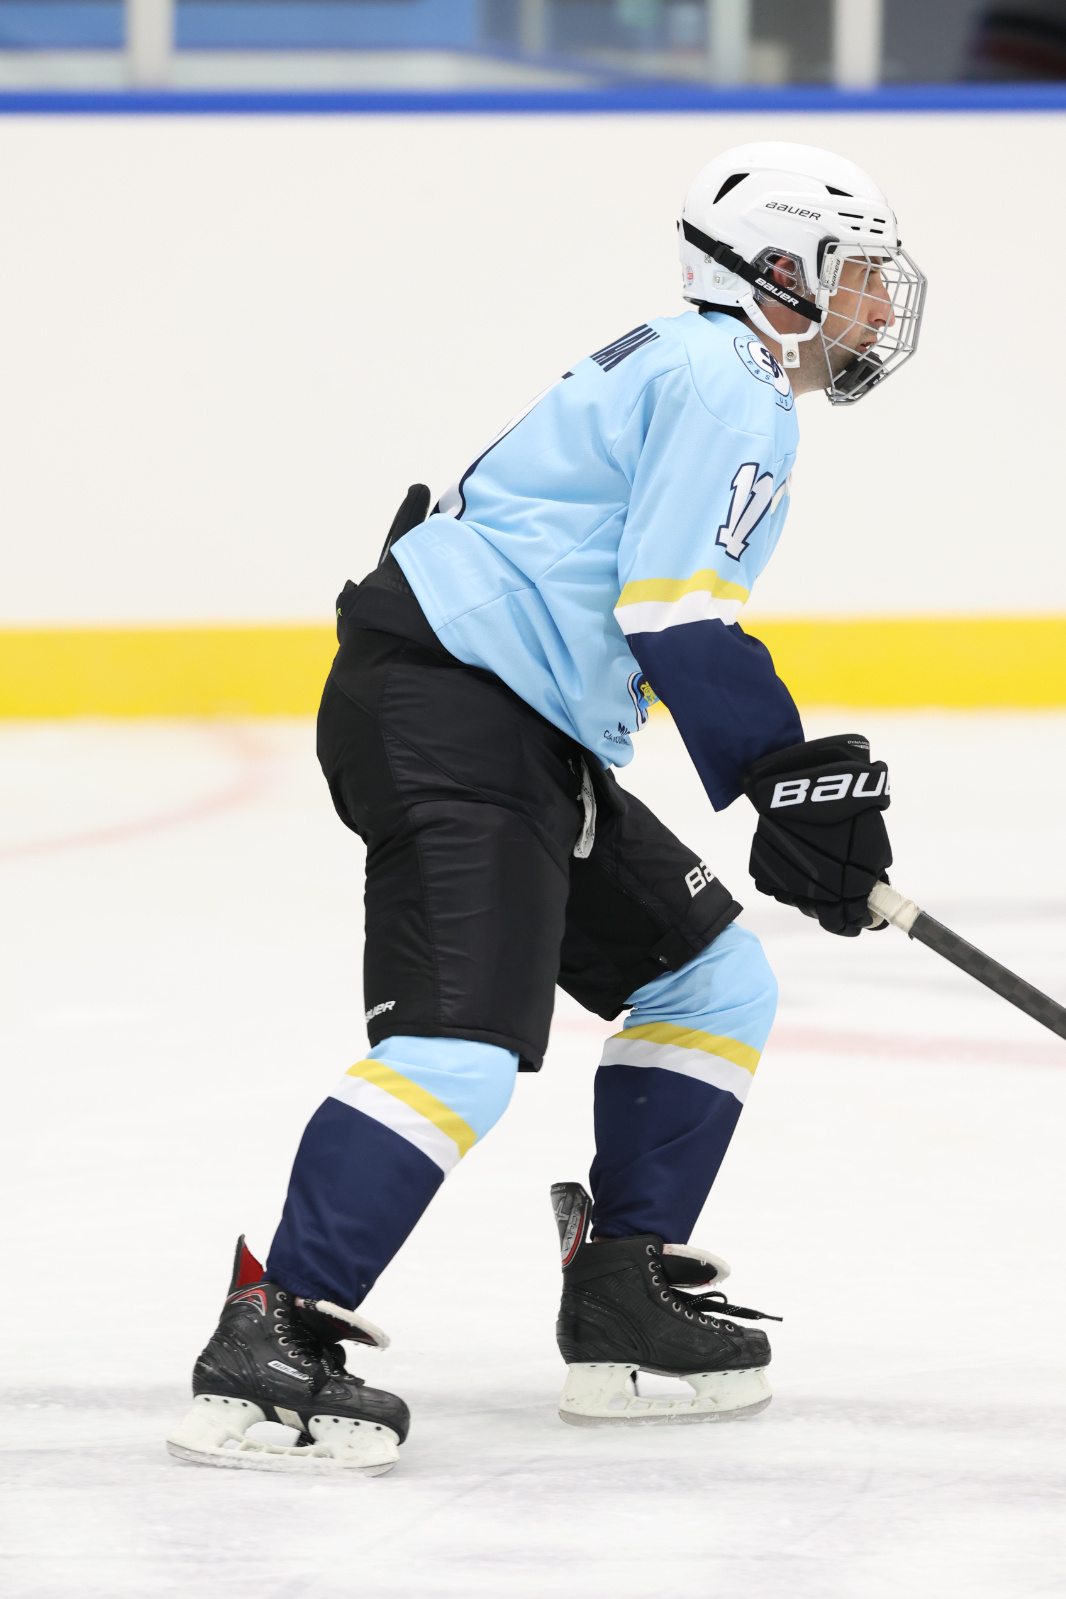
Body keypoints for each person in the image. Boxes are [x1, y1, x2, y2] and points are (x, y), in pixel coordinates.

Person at [167, 141, 926, 1472]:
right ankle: (270, 1333)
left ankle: (624, 1295)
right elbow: (674, 614)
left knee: (709, 981)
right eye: (852, 272)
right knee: (459, 1048)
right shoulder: (728, 385)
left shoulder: (702, 367)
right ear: (776, 271)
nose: (873, 303)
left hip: (506, 724)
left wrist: (783, 788)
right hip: (454, 717)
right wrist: (785, 781)